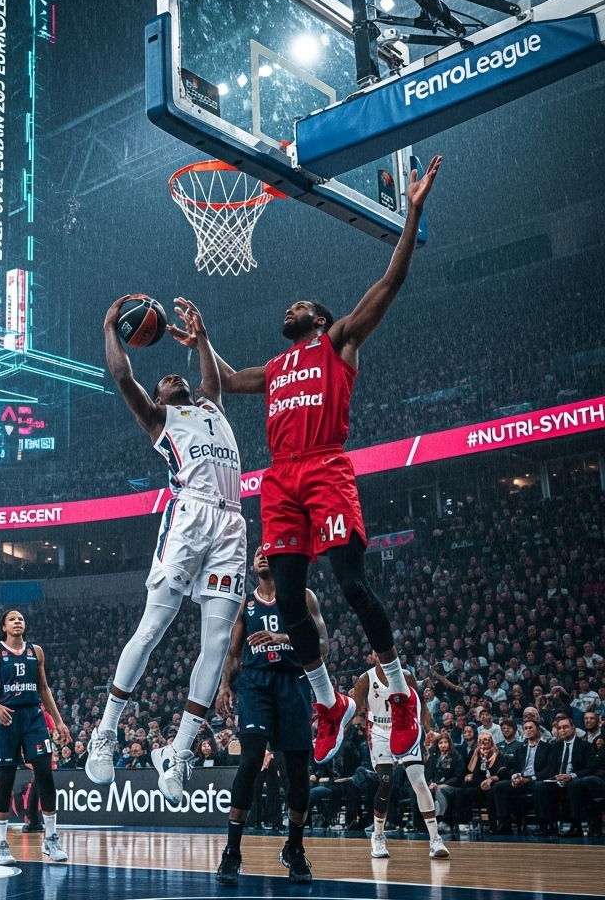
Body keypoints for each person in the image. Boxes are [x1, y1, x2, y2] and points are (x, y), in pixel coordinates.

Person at [205, 157, 443, 764]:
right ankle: (329, 703)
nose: (290, 309)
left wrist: (412, 212)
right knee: (287, 600)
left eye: (301, 305)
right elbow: (223, 380)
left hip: (325, 466)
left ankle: (399, 691)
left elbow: (389, 282)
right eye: (288, 306)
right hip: (280, 476)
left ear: (321, 319)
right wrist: (201, 340)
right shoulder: (275, 368)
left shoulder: (340, 342)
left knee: (350, 583)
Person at [88, 297, 246, 804]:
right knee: (154, 626)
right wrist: (110, 326)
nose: (174, 378)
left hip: (232, 521)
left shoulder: (210, 406)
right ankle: (106, 732)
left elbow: (211, 379)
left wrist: (203, 341)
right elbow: (122, 376)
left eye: (180, 376)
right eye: (165, 381)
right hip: (189, 516)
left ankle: (177, 753)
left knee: (217, 644)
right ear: (158, 397)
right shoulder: (160, 418)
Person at [215, 547, 325, 886]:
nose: (262, 555)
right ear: (253, 565)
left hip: (292, 683)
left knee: (298, 776)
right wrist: (224, 685)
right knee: (250, 761)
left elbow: (322, 645)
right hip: (255, 685)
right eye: (257, 553)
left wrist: (283, 638)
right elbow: (234, 653)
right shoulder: (245, 603)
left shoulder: (302, 596)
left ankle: (294, 848)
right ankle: (232, 851)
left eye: (267, 551)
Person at [0, 610, 72, 866]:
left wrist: (59, 721)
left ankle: (50, 839)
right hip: (6, 718)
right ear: (4, 627)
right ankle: (1, 844)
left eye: (20, 619)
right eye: (12, 619)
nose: (17, 621)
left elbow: (44, 688)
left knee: (45, 775)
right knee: (6, 780)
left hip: (33, 717)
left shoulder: (36, 651)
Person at [351, 651, 449, 859]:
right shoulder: (366, 679)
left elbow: (420, 705)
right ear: (372, 656)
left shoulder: (405, 676)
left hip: (405, 727)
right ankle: (378, 836)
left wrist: (428, 730)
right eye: (377, 652)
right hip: (379, 731)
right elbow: (353, 708)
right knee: (386, 781)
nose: (381, 655)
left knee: (419, 782)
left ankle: (435, 839)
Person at [532, 713, 596, 837]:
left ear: (573, 728)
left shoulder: (585, 746)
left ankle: (576, 826)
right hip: (558, 781)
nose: (562, 730)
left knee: (573, 785)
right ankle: (547, 825)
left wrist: (571, 776)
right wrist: (552, 777)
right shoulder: (556, 747)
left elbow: (590, 768)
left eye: (565, 727)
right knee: (539, 786)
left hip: (576, 781)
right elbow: (550, 767)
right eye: (559, 728)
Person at [491, 718, 550, 834]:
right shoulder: (520, 749)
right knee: (498, 786)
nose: (528, 730)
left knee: (539, 786)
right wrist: (515, 776)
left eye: (530, 727)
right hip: (521, 780)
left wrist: (530, 779)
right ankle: (505, 825)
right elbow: (513, 767)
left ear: (537, 729)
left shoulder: (547, 747)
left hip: (535, 780)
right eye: (525, 728)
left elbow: (549, 769)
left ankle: (543, 825)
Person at [458, 732, 508, 829]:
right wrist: (470, 774)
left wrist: (491, 779)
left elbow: (501, 772)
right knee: (461, 791)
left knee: (491, 793)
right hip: (478, 784)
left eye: (485, 740)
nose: (483, 743)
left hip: (491, 784)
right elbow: (471, 769)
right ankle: (464, 822)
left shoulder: (498, 755)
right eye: (480, 741)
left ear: (491, 741)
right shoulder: (476, 753)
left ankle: (493, 824)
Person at [425, 732, 464, 836]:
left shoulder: (456, 756)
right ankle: (422, 824)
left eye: (445, 742)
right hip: (434, 786)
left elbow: (458, 777)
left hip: (452, 786)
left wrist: (443, 784)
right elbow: (427, 774)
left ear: (449, 743)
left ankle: (442, 820)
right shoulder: (433, 757)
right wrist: (430, 783)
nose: (443, 745)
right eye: (440, 743)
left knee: (440, 790)